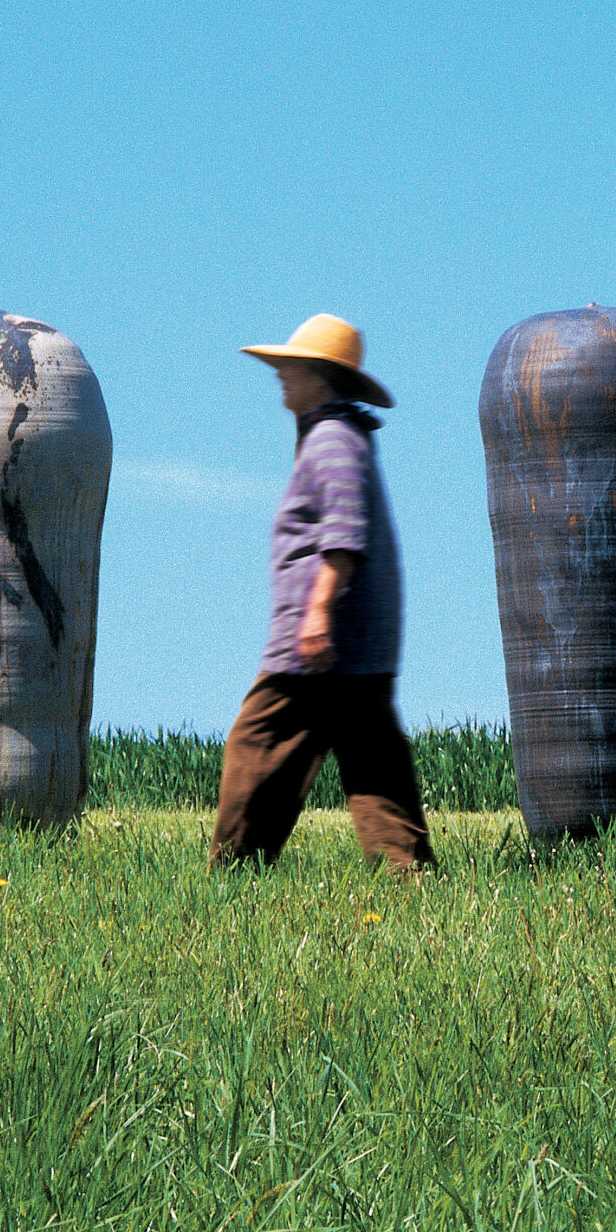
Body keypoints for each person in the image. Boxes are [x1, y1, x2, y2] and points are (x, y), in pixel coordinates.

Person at [210, 314, 437, 872]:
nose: (280, 376)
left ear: (321, 376)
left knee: (257, 744)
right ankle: (409, 875)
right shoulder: (342, 435)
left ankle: (233, 874)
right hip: (362, 643)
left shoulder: (333, 440)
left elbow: (342, 536)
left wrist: (315, 616)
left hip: (321, 642)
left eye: (291, 367)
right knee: (373, 763)